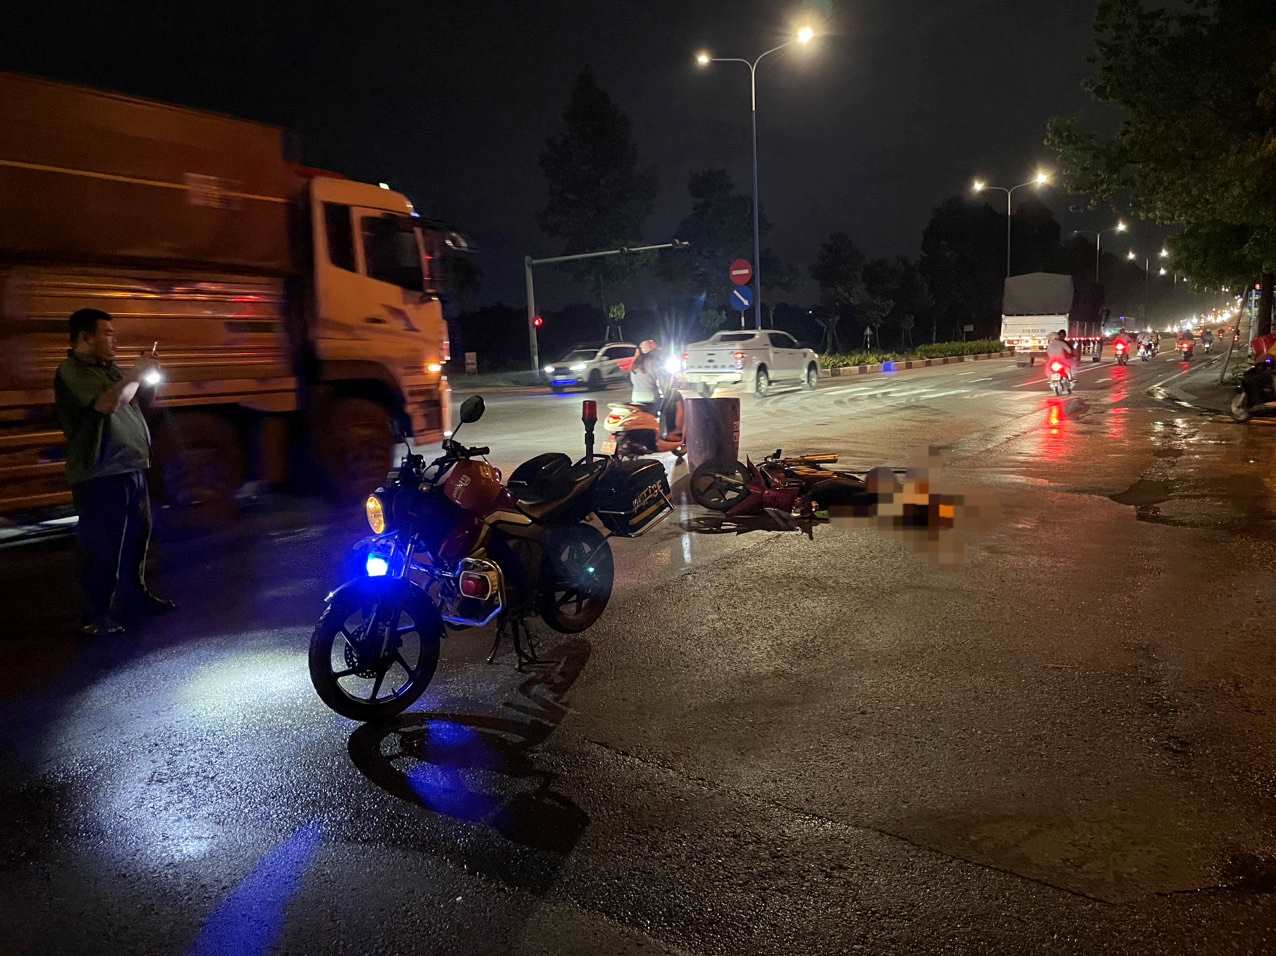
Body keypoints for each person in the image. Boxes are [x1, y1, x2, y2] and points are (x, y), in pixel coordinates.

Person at [54, 308, 175, 636]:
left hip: (130, 468)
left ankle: (134, 597)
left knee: (137, 538)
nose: (114, 340)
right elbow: (107, 404)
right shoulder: (71, 371)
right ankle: (95, 616)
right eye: (107, 333)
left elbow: (133, 400)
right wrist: (135, 373)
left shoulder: (110, 370)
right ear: (84, 337)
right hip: (100, 473)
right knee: (103, 546)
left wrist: (145, 376)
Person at [629, 339, 663, 413]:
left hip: (636, 398)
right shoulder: (654, 362)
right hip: (651, 398)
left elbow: (632, 381)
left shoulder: (635, 363)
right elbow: (663, 381)